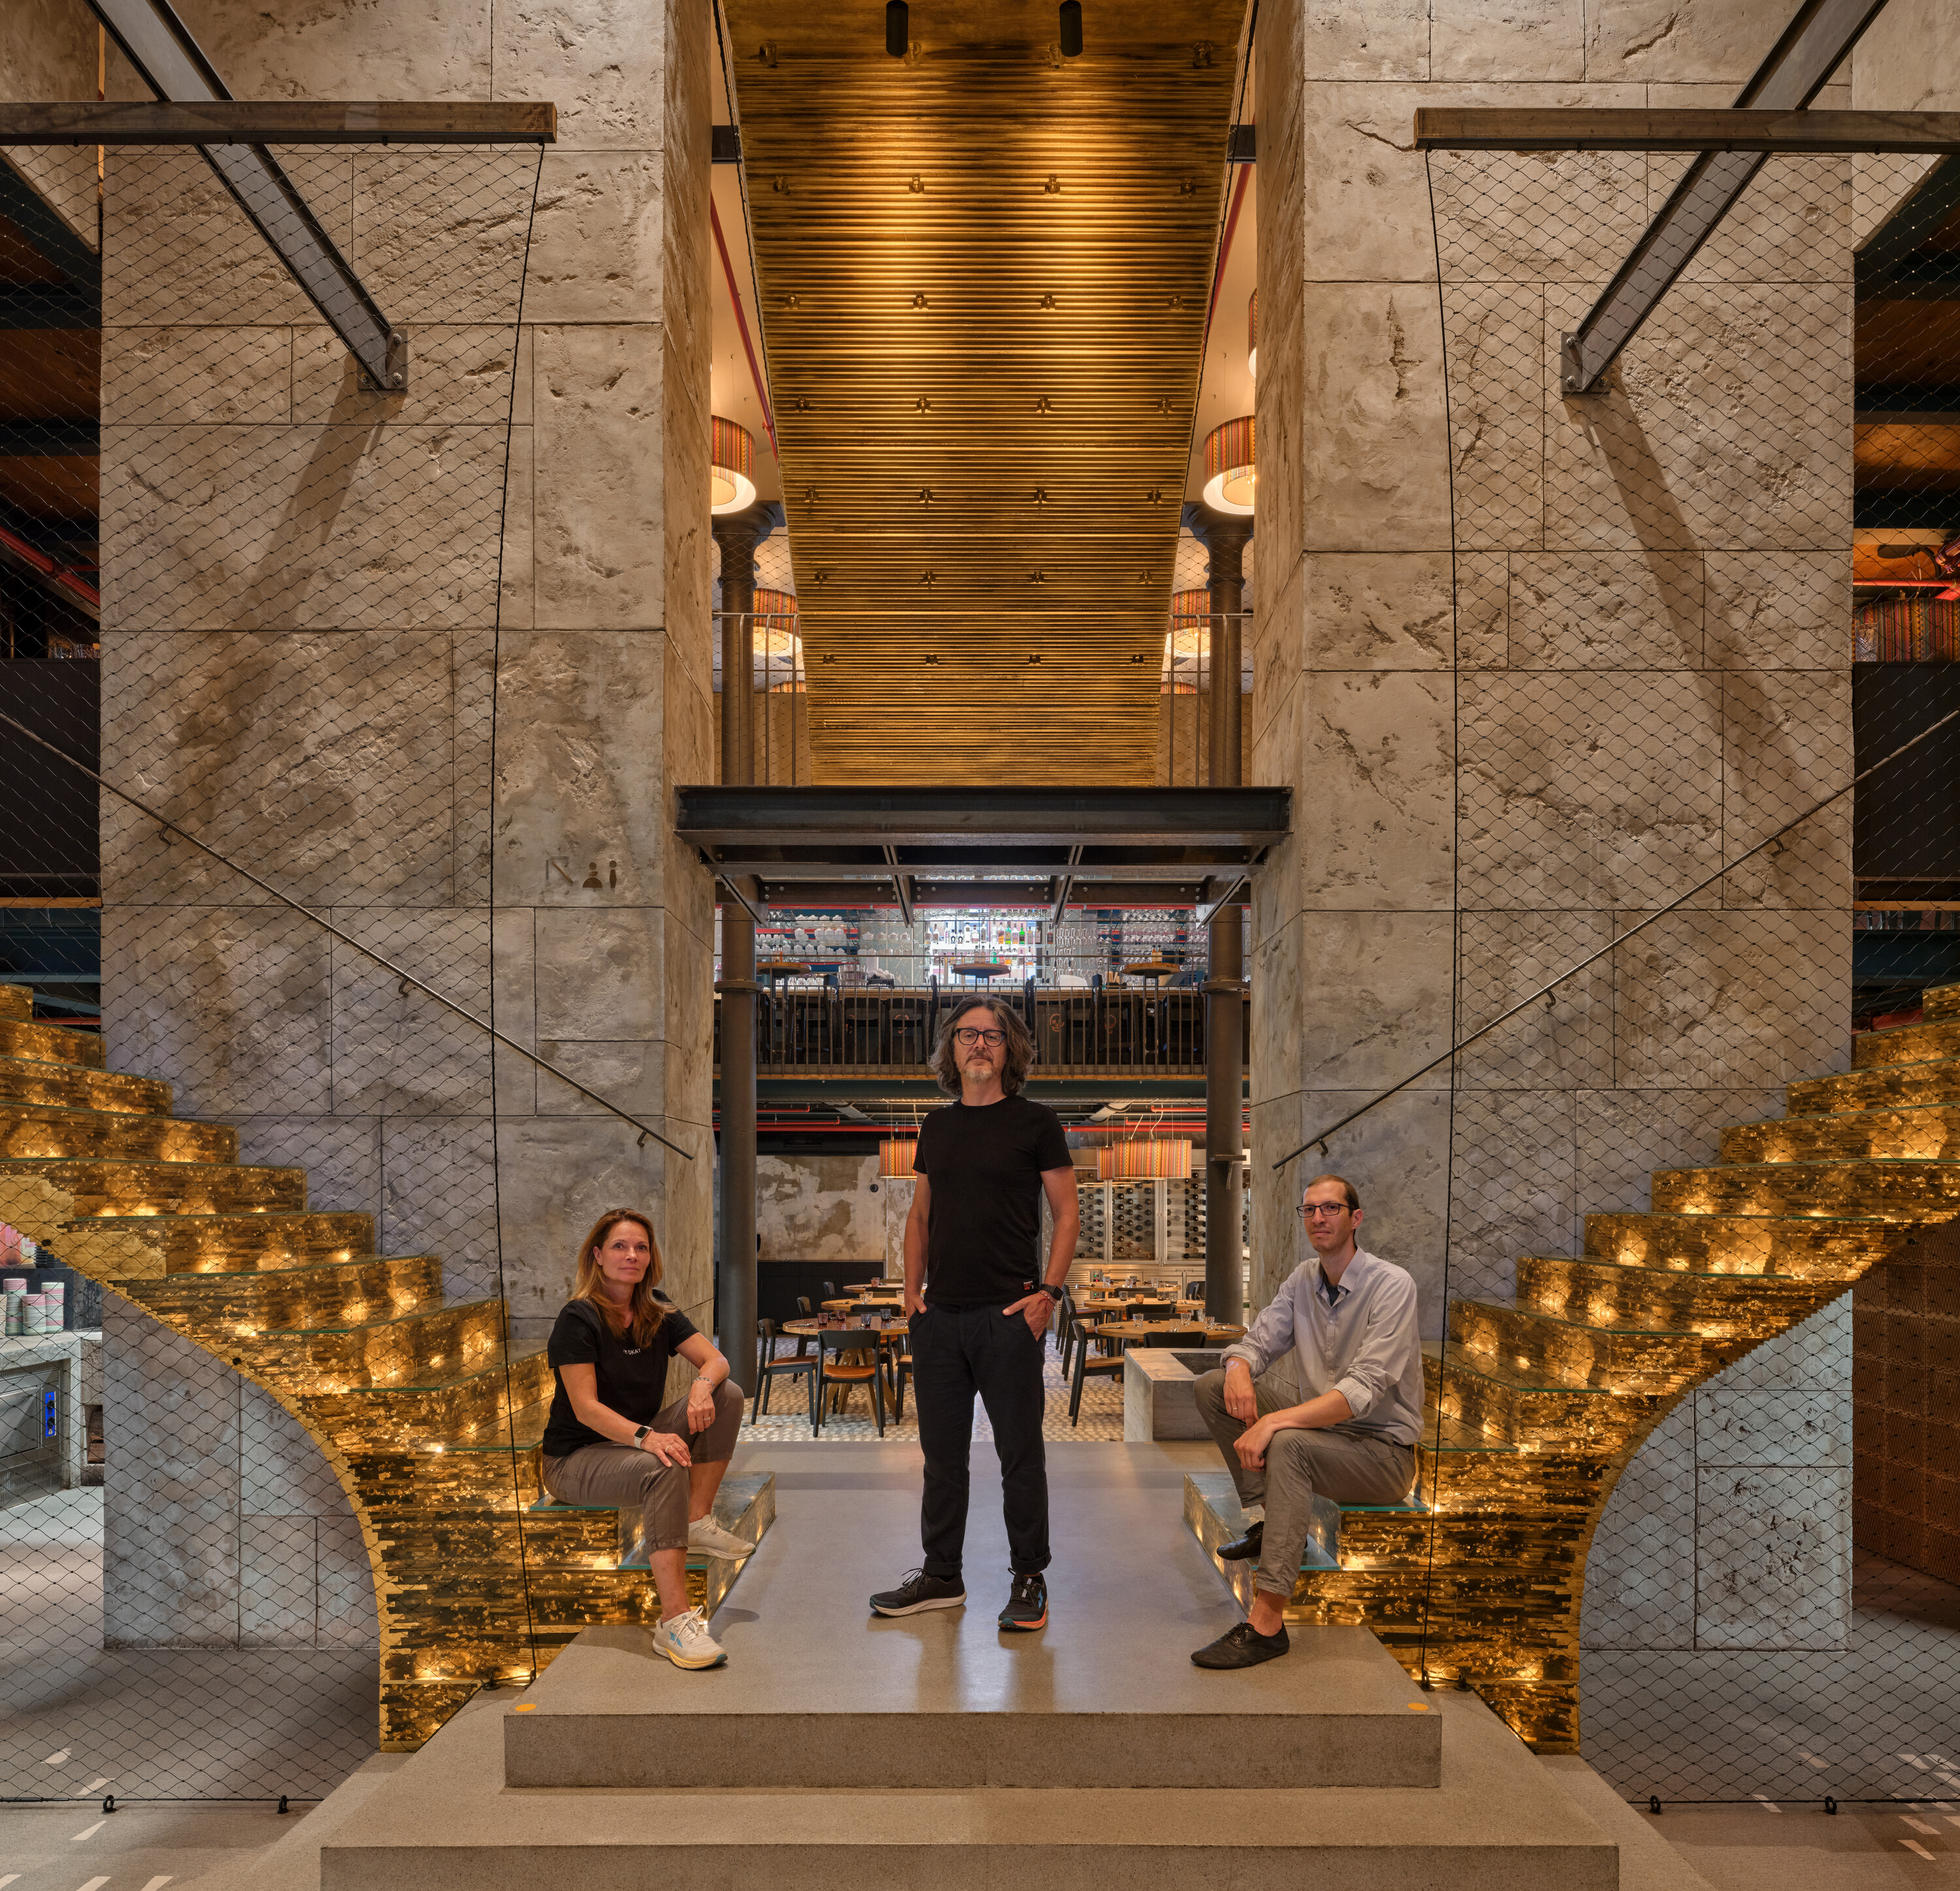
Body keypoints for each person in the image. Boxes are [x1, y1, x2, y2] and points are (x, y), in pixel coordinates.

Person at [869, 996, 1080, 1631]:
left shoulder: (1036, 1122)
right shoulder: (936, 1127)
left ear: (1010, 1048)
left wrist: (1048, 1294)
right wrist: (911, 1293)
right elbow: (919, 1216)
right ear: (951, 1049)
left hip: (1008, 1316)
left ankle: (1029, 1577)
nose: (979, 1043)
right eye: (967, 1034)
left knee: (1021, 1457)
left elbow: (1067, 1213)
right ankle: (941, 1575)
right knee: (941, 1459)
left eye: (992, 1034)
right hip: (939, 1319)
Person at [1188, 1173, 1422, 1669]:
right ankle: (1272, 1520)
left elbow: (1360, 1391)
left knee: (1288, 1441)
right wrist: (1238, 1367)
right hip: (1322, 1436)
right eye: (1310, 1209)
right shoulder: (1302, 1280)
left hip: (1381, 1455)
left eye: (1331, 1208)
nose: (1318, 1218)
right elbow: (1258, 1342)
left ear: (1355, 1219)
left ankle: (1267, 1623)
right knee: (1211, 1386)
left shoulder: (1391, 1285)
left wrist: (1273, 1424)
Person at [539, 1207, 754, 1670]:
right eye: (619, 1246)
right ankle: (673, 1622)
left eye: (640, 1247)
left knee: (728, 1395)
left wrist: (701, 1386)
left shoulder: (657, 1308)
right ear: (598, 1255)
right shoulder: (578, 1317)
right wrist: (646, 1437)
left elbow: (716, 1361)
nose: (632, 1255)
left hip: (631, 1442)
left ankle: (696, 1522)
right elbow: (586, 1408)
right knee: (663, 1462)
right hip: (576, 1458)